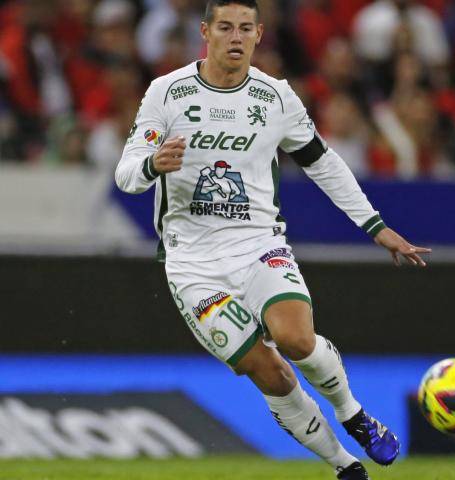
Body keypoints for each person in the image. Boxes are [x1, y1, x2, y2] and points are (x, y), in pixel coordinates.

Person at [115, 2, 431, 479]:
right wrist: (151, 164)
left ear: (260, 34)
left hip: (258, 244)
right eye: (225, 27)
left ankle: (353, 415)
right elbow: (125, 175)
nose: (235, 37)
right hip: (192, 264)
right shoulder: (168, 93)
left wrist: (375, 227)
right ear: (205, 31)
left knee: (295, 338)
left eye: (245, 28)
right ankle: (345, 467)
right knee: (271, 372)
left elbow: (323, 163)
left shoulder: (276, 98)